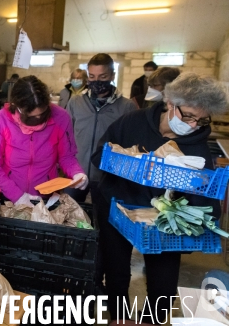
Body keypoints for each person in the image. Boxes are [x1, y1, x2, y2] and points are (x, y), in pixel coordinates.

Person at [91, 73, 226, 323]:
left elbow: (203, 195)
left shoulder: (196, 144)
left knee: (163, 286)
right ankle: (120, 316)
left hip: (160, 222)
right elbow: (100, 155)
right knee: (116, 269)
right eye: (188, 116)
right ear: (170, 103)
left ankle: (149, 319)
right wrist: (128, 165)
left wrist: (200, 217)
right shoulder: (134, 121)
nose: (194, 125)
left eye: (201, 119)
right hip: (119, 206)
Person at [0, 76, 88, 204]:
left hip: (46, 197)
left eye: (43, 114)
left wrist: (77, 173)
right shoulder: (2, 120)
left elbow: (67, 156)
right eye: (32, 116)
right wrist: (18, 196)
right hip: (9, 196)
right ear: (17, 108)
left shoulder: (61, 118)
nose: (39, 118)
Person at [66, 53, 137, 203]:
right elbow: (66, 135)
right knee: (70, 215)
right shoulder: (76, 102)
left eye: (103, 77)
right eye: (92, 76)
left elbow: (131, 145)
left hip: (108, 176)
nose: (96, 81)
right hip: (77, 173)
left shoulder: (126, 106)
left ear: (112, 75)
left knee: (102, 219)